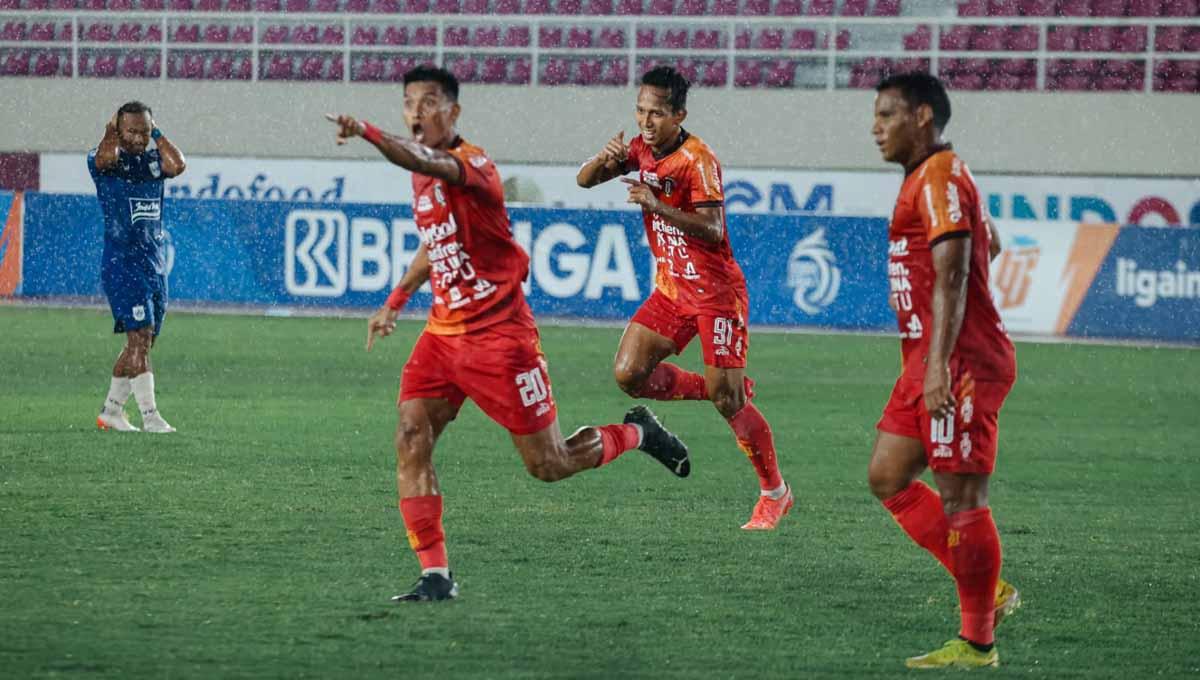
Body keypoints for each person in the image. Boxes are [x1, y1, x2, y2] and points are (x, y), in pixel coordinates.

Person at [326, 66, 690, 603]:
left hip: (501, 339)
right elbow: (436, 241)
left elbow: (423, 157)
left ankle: (638, 434)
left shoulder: (471, 164)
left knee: (550, 464)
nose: (417, 112)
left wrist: (369, 132)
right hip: (443, 337)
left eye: (429, 103)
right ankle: (436, 575)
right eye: (408, 103)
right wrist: (394, 302)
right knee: (410, 435)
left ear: (453, 112)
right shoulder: (424, 175)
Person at [576, 66, 790, 530]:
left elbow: (713, 230)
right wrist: (604, 157)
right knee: (629, 373)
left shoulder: (698, 160)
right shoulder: (639, 149)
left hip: (716, 296)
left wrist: (657, 207)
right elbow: (584, 180)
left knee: (729, 403)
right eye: (640, 111)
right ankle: (716, 385)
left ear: (679, 115)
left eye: (656, 113)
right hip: (673, 290)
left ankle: (774, 493)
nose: (645, 122)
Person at [868, 72, 1021, 669]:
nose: (875, 127)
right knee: (888, 474)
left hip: (957, 364)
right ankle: (988, 585)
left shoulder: (938, 174)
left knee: (962, 496)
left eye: (887, 115)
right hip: (930, 359)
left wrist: (939, 363)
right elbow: (991, 242)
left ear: (923, 116)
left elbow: (956, 268)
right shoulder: (933, 177)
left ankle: (978, 641)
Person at [89, 101, 186, 434]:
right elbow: (104, 157)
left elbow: (179, 165)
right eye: (132, 130)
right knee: (139, 338)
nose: (139, 138)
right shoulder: (107, 161)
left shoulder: (152, 162)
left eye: (144, 131)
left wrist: (156, 133)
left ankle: (111, 412)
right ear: (118, 129)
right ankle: (150, 416)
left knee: (143, 343)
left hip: (154, 265)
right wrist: (109, 131)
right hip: (122, 264)